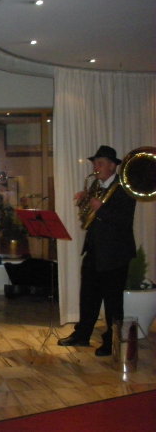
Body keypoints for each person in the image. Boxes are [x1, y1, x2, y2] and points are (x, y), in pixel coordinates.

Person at [58, 145, 136, 356]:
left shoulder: (124, 188)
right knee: (88, 297)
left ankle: (112, 341)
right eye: (95, 163)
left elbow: (124, 220)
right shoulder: (96, 185)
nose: (96, 167)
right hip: (94, 250)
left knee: (113, 301)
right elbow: (89, 217)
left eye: (100, 163)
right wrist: (85, 199)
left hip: (115, 254)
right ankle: (82, 334)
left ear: (112, 166)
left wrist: (100, 208)